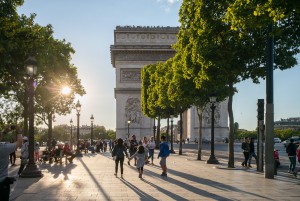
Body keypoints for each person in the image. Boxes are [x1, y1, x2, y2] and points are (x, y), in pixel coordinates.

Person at [0, 126, 23, 201]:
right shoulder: (3, 148)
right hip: (2, 184)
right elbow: (19, 142)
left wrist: (4, 132)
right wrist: (19, 131)